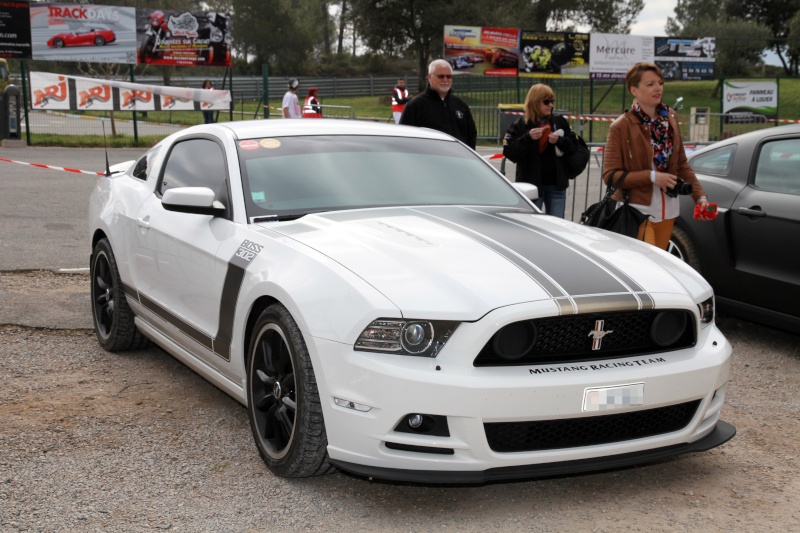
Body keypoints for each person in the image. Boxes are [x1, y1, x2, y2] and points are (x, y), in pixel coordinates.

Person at [603, 62, 712, 250]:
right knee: (646, 267)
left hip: (669, 210)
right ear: (634, 90)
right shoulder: (622, 125)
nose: (658, 88)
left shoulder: (669, 118)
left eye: (660, 83)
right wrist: (652, 177)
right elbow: (610, 176)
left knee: (659, 265)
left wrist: (700, 197)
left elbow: (681, 164)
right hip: (638, 211)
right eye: (650, 84)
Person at [502, 83, 579, 218]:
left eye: (552, 101)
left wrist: (559, 141)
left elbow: (574, 145)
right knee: (530, 227)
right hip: (531, 187)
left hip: (556, 186)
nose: (550, 105)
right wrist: (527, 138)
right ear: (535, 102)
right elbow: (509, 152)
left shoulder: (559, 121)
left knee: (557, 228)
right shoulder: (520, 125)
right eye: (546, 102)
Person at [399, 59, 477, 149]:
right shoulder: (415, 106)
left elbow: (471, 135)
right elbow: (404, 139)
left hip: (458, 160)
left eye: (449, 76)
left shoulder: (461, 105)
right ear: (429, 77)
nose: (445, 79)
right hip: (428, 160)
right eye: (441, 76)